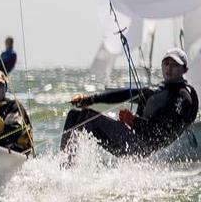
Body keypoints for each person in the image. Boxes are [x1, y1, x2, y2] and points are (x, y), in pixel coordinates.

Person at [60, 48, 199, 158]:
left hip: (140, 147)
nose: (169, 69)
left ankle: (68, 166)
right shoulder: (157, 90)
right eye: (166, 64)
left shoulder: (184, 95)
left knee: (89, 116)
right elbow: (122, 95)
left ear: (184, 70)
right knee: (74, 114)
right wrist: (88, 99)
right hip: (127, 142)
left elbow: (163, 131)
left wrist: (133, 121)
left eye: (175, 65)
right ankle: (64, 162)